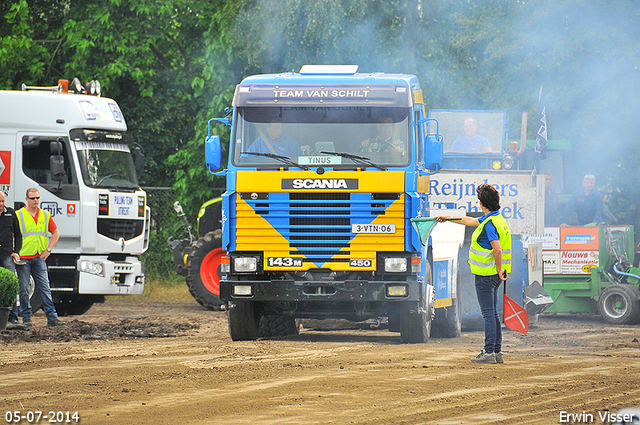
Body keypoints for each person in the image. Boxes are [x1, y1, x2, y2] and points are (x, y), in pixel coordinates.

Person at [435, 184, 511, 364]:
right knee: (493, 314)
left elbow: (497, 250)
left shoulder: (489, 224)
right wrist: (447, 218)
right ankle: (497, 352)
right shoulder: (496, 219)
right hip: (495, 275)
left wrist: (499, 269)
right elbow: (469, 221)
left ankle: (489, 351)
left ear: (482, 203)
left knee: (488, 314)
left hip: (487, 275)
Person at [15, 188, 65, 327]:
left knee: (45, 288)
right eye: (32, 198)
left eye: (37, 197)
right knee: (23, 289)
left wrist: (48, 250)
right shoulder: (19, 215)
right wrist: (15, 252)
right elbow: (12, 234)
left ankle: (52, 318)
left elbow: (55, 233)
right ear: (27, 199)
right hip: (23, 258)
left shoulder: (45, 215)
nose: (35, 200)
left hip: (39, 257)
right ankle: (26, 319)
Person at [0, 192, 24, 327]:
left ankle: (13, 317)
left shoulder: (11, 214)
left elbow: (18, 234)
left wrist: (16, 252)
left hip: (6, 254)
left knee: (12, 284)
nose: (1, 204)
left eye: (3, 201)